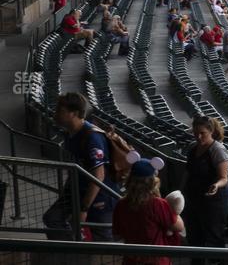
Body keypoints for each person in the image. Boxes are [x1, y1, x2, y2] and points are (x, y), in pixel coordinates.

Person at [43, 93, 119, 241]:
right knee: (52, 219)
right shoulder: (69, 134)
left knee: (103, 241)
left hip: (100, 198)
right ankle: (71, 254)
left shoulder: (92, 138)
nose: (55, 113)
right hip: (76, 192)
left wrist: (84, 209)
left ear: (74, 113)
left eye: (60, 110)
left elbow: (99, 177)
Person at [112, 159, 184, 264]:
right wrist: (174, 209)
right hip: (156, 260)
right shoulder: (157, 204)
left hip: (131, 260)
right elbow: (179, 226)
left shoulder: (121, 204)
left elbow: (117, 234)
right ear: (152, 182)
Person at [182, 116, 228, 251]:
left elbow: (223, 178)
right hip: (194, 196)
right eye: (195, 133)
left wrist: (216, 185)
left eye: (202, 133)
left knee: (213, 234)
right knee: (194, 232)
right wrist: (182, 189)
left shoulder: (218, 149)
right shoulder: (193, 147)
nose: (198, 136)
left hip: (215, 199)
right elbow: (188, 170)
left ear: (211, 131)